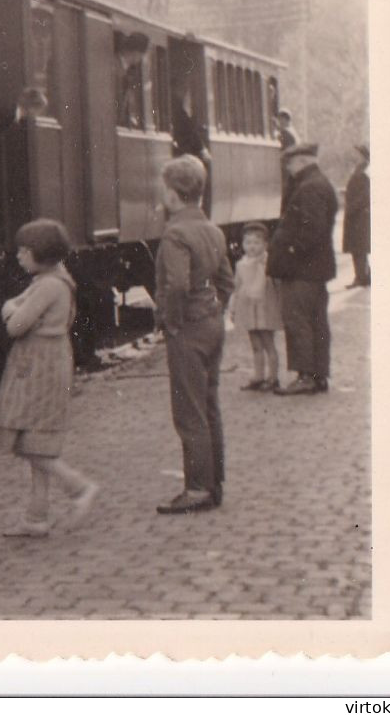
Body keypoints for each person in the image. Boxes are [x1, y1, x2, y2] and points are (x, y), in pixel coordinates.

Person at [0, 219, 100, 538]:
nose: (18, 256)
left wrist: (10, 308)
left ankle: (79, 488)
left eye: (24, 251)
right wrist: (16, 308)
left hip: (40, 366)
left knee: (29, 442)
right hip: (44, 362)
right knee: (38, 438)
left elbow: (14, 324)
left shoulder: (48, 286)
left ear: (41, 253)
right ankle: (36, 517)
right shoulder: (52, 279)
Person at [154, 155, 235, 514]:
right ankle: (214, 483)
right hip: (211, 324)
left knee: (189, 411)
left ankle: (198, 488)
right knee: (209, 405)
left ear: (172, 194)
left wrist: (172, 322)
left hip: (187, 328)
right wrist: (214, 310)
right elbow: (227, 282)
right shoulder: (212, 230)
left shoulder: (175, 233)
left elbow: (176, 285)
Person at [269, 142, 339, 396]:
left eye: (289, 163)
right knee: (316, 321)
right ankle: (318, 375)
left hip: (302, 269)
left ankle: (305, 376)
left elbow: (312, 228)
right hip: (314, 269)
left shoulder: (309, 187)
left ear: (302, 161)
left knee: (298, 320)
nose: (288, 168)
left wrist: (292, 250)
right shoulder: (317, 183)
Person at [231, 222, 283, 393]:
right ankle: (259, 376)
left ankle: (273, 377)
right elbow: (237, 287)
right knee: (255, 344)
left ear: (265, 244)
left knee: (268, 343)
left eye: (256, 242)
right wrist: (234, 307)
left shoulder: (268, 262)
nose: (251, 246)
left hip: (265, 307)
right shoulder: (241, 264)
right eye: (248, 242)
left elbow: (277, 284)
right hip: (249, 308)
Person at [344, 144, 370, 288]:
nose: (353, 156)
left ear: (363, 155)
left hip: (359, 216)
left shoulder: (365, 170)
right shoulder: (360, 169)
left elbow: (365, 194)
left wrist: (352, 208)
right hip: (357, 216)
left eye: (356, 153)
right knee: (358, 248)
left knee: (359, 248)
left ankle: (361, 278)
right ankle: (364, 276)